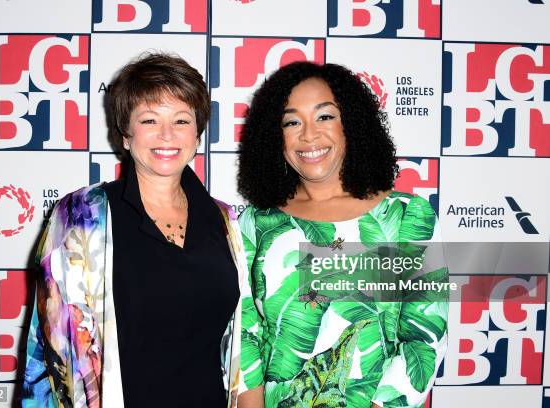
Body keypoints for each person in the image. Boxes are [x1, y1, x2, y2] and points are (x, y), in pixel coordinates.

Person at [22, 53, 251, 408]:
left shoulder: (226, 222)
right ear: (125, 135)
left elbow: (240, 346)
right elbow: (57, 352)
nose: (166, 135)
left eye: (181, 120)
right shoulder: (82, 216)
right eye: (149, 120)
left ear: (197, 133)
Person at [236, 61, 448, 408]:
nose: (308, 135)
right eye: (292, 121)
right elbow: (245, 333)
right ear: (276, 137)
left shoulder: (407, 216)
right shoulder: (256, 223)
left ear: (351, 123)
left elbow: (426, 335)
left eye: (325, 116)